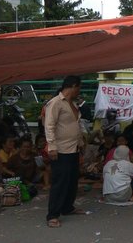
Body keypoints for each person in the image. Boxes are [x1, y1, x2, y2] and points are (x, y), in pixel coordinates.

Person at [44, 76, 85, 228]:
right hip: (61, 149)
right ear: (74, 86)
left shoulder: (72, 103)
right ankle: (52, 215)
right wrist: (52, 146)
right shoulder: (55, 102)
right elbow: (49, 125)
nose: (79, 91)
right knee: (60, 183)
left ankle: (68, 207)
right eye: (79, 88)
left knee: (72, 180)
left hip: (73, 147)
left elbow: (76, 125)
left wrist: (81, 143)